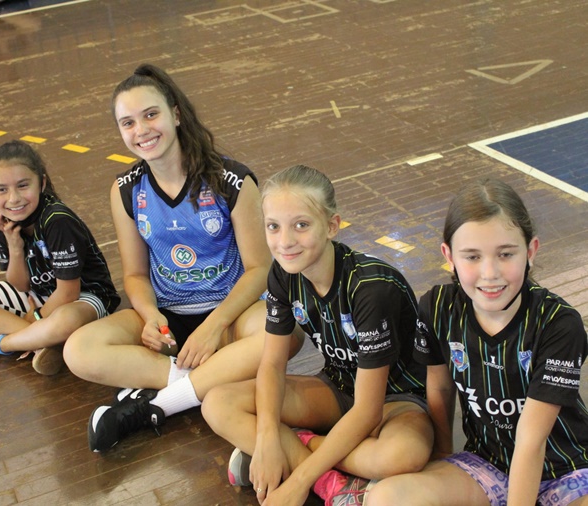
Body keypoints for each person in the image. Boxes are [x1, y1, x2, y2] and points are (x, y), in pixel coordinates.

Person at [63, 63, 298, 453]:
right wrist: (150, 316)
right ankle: (204, 381)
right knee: (77, 350)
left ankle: (157, 403)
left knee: (284, 335)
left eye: (150, 115)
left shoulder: (231, 181)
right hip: (169, 320)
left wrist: (214, 326)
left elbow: (260, 269)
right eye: (128, 123)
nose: (141, 130)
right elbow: (135, 274)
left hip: (232, 315)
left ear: (175, 114)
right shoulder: (126, 190)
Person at [201, 165, 433, 506]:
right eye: (273, 226)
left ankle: (301, 445)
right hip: (338, 389)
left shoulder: (370, 289)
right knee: (218, 403)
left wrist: (297, 482)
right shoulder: (283, 273)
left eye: (301, 225)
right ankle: (333, 487)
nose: (285, 242)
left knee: (401, 455)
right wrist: (267, 437)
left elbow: (368, 411)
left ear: (331, 226)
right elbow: (272, 364)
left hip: (395, 401)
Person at [365, 178, 588, 506]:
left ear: (530, 252)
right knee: (387, 497)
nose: (490, 272)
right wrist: (443, 454)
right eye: (472, 256)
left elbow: (531, 441)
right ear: (449, 255)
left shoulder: (558, 323)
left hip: (566, 469)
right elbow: (440, 387)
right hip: (487, 464)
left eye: (505, 254)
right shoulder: (437, 307)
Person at [0, 140, 120, 375]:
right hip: (37, 295)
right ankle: (41, 342)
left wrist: (37, 317)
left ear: (41, 183)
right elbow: (20, 285)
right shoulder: (0, 217)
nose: (14, 198)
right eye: (1, 189)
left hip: (84, 296)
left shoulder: (58, 221)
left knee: (66, 320)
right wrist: (14, 246)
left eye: (23, 185)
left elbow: (68, 293)